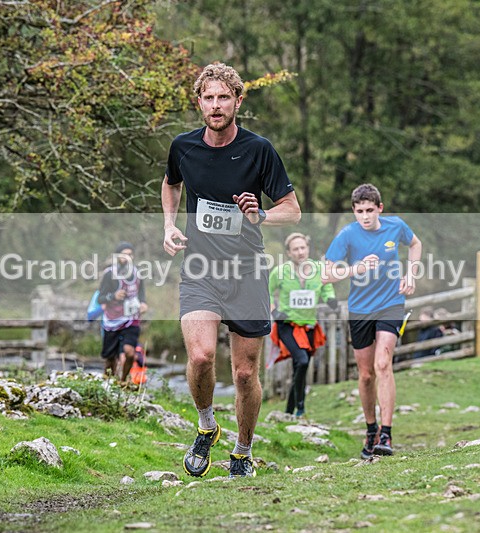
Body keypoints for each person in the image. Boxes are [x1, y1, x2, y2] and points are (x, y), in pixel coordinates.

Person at [161, 63, 301, 478]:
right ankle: (207, 427)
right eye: (209, 98)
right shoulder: (183, 146)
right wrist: (168, 226)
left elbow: (291, 211)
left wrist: (260, 216)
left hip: (248, 271)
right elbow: (171, 183)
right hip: (201, 268)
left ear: (238, 101)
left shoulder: (259, 150)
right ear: (198, 102)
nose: (216, 105)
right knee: (201, 356)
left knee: (243, 374)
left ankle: (242, 451)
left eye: (224, 97)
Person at [323, 183, 422, 459]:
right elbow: (325, 275)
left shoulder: (396, 226)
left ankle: (387, 435)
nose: (365, 216)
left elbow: (415, 244)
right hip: (360, 309)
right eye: (359, 211)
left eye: (369, 210)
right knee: (366, 374)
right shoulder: (347, 235)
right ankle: (371, 429)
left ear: (380, 208)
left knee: (383, 364)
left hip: (391, 304)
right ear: (354, 212)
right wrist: (354, 269)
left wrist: (411, 275)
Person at [269, 232, 336, 417]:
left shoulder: (318, 269)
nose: (300, 252)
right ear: (289, 253)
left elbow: (327, 286)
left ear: (308, 249)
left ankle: (289, 411)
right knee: (302, 361)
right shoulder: (280, 272)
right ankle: (300, 408)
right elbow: (266, 291)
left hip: (309, 326)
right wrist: (274, 311)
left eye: (302, 248)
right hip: (287, 325)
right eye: (295, 249)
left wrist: (330, 299)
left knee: (300, 366)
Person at [97, 242, 148, 382]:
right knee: (109, 358)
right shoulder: (109, 275)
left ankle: (123, 381)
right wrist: (113, 296)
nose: (127, 257)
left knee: (129, 352)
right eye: (124, 254)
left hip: (131, 318)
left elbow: (141, 293)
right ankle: (109, 384)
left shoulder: (137, 273)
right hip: (112, 320)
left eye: (130, 254)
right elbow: (100, 299)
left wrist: (143, 303)